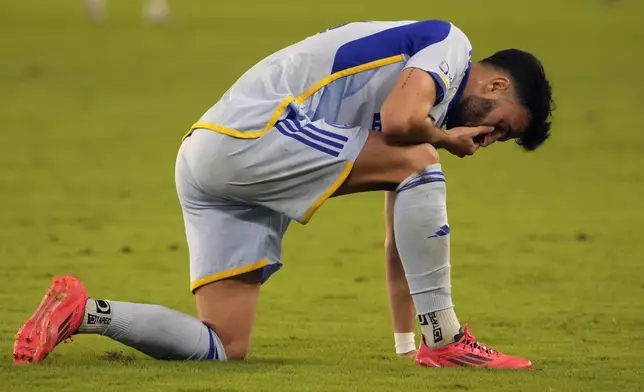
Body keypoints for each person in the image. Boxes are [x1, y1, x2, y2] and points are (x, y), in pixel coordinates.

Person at [13, 20, 553, 368]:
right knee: (422, 159)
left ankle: (82, 311)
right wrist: (441, 138)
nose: (484, 141)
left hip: (209, 159)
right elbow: (400, 124)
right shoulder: (449, 45)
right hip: (255, 134)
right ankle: (450, 340)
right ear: (495, 87)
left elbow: (402, 239)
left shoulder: (423, 107)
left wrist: (406, 340)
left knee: (223, 344)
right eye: (499, 128)